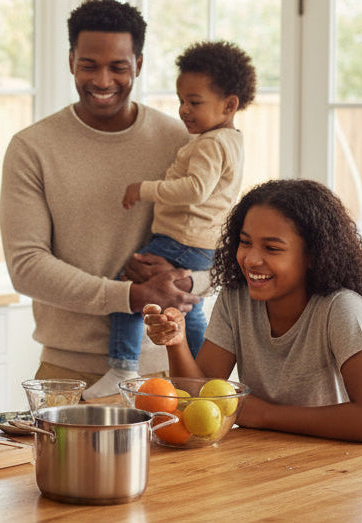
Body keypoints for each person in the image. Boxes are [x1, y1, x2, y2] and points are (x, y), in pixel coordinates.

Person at [0, 0, 206, 395]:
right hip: (70, 375)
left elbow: (216, 251)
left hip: (171, 372)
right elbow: (26, 265)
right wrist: (131, 295)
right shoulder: (32, 147)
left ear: (139, 65)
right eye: (90, 65)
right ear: (71, 60)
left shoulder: (180, 143)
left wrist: (184, 280)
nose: (103, 80)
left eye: (119, 67)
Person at [144, 179, 362, 444]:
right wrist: (176, 342)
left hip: (331, 470)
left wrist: (263, 415)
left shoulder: (341, 308)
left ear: (313, 256)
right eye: (245, 242)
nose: (250, 259)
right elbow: (200, 399)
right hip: (259, 461)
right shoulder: (235, 299)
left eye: (272, 248)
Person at [85, 41, 257, 400]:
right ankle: (201, 381)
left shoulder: (210, 144)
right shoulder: (231, 141)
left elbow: (195, 189)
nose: (183, 111)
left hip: (181, 238)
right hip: (203, 245)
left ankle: (122, 363)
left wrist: (144, 189)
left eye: (194, 102)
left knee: (130, 286)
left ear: (229, 104)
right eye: (181, 100)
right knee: (184, 307)